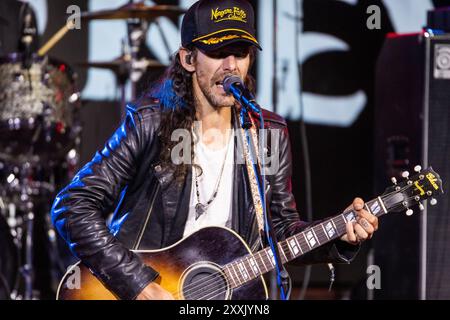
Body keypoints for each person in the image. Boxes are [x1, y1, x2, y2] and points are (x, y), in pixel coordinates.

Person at [51, 0, 378, 300]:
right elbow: (72, 206)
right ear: (188, 59)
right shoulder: (150, 122)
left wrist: (338, 236)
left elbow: (279, 232)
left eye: (241, 52)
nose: (232, 65)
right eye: (220, 52)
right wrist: (138, 284)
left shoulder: (267, 133)